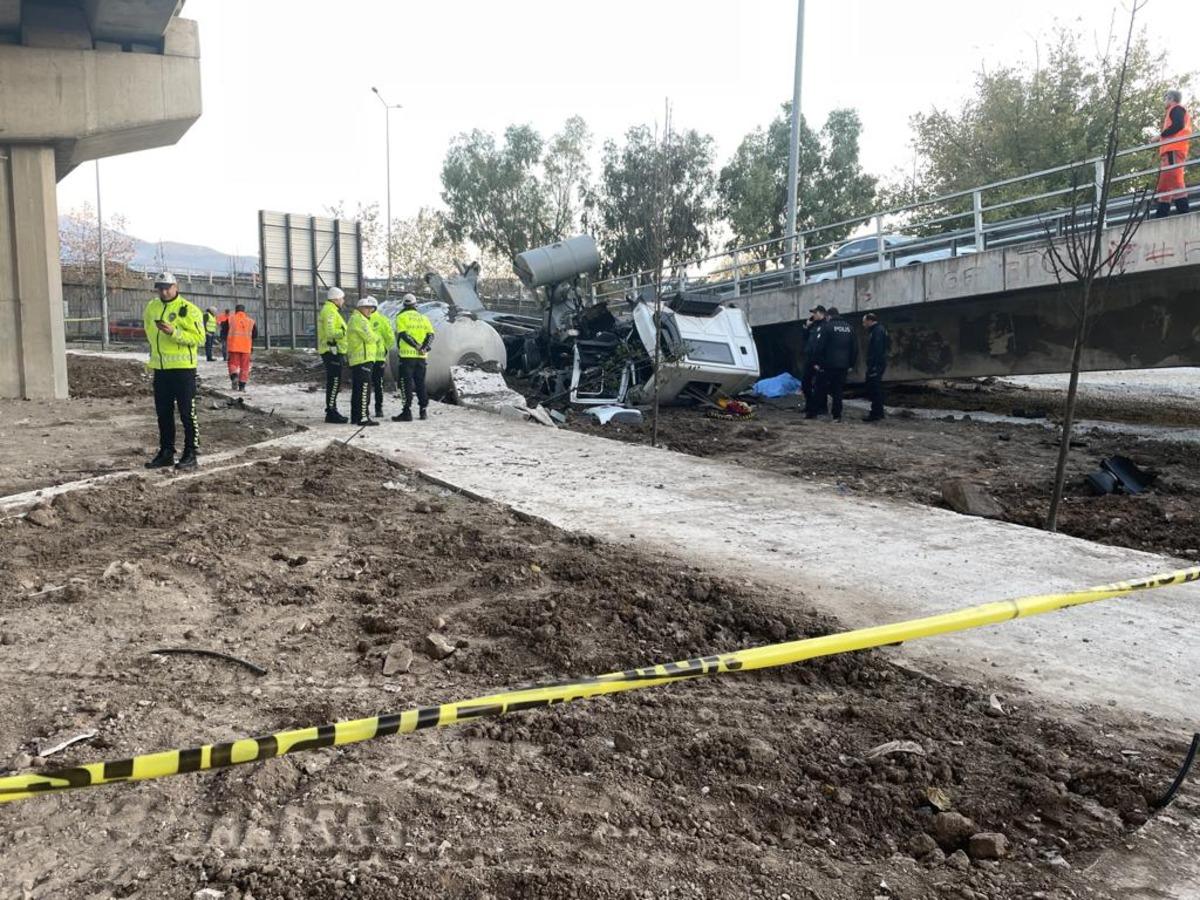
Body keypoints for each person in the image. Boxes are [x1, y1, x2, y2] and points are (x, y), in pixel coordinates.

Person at [142, 273, 204, 470]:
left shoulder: (189, 310)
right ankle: (166, 452)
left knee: (187, 412)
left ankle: (191, 453)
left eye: (168, 287)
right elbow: (149, 332)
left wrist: (174, 333)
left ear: (176, 287)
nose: (164, 291)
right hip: (161, 369)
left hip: (183, 369)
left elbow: (199, 338)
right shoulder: (152, 307)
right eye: (160, 287)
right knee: (164, 413)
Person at [808, 306, 857, 422]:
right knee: (838, 391)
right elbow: (854, 348)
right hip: (843, 365)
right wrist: (851, 364)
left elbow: (820, 347)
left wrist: (816, 362)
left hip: (827, 364)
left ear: (828, 316)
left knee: (819, 388)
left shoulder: (827, 327)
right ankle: (837, 416)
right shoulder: (849, 328)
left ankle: (812, 413)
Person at [392, 293, 435, 422]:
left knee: (406, 383)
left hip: (407, 356)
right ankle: (423, 410)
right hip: (421, 357)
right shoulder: (423, 318)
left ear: (404, 304)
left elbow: (403, 335)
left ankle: (406, 411)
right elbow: (431, 335)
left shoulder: (401, 317)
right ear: (415, 304)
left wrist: (416, 346)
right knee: (420, 382)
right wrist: (424, 348)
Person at [1155, 90, 1192, 218]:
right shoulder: (1175, 110)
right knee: (1166, 183)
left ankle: (1183, 213)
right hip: (1171, 151)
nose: (1164, 101)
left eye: (1165, 98)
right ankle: (1162, 214)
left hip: (1173, 150)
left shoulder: (1176, 109)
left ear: (1171, 98)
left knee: (1174, 180)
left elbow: (1178, 125)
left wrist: (1160, 136)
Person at [347, 295, 381, 427]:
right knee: (364, 389)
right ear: (360, 308)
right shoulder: (359, 320)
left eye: (371, 308)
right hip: (363, 359)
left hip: (360, 359)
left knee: (358, 389)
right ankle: (362, 417)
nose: (369, 310)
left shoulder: (358, 319)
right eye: (367, 308)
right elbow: (370, 337)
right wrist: (377, 336)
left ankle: (356, 416)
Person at [317, 287, 349, 423]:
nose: (343, 301)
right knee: (334, 382)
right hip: (332, 351)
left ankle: (332, 410)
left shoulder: (330, 310)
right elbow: (330, 333)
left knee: (334, 382)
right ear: (336, 299)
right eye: (342, 298)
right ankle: (331, 412)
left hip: (334, 350)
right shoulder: (330, 312)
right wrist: (343, 333)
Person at [368, 301, 396, 420]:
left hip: (365, 358)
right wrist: (385, 349)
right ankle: (379, 409)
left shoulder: (362, 319)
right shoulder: (383, 319)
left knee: (366, 384)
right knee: (378, 384)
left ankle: (364, 409)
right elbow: (390, 338)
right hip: (379, 357)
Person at [862, 312, 890, 422]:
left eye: (864, 322)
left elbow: (877, 350)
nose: (863, 325)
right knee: (875, 388)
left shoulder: (877, 331)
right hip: (878, 363)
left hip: (876, 365)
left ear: (869, 321)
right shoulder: (880, 330)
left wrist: (873, 365)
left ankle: (875, 413)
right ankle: (879, 412)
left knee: (874, 388)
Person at [224, 303, 258, 392]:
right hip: (246, 348)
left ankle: (234, 376)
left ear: (236, 311)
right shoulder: (251, 321)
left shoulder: (230, 319)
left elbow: (224, 331)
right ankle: (242, 386)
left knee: (233, 364)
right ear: (244, 311)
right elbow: (255, 335)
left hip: (233, 347)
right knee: (245, 367)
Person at [800, 305, 827, 415]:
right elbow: (805, 338)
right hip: (810, 358)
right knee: (805, 383)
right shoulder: (813, 326)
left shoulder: (825, 325)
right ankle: (810, 405)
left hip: (819, 359)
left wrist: (819, 361)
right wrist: (807, 327)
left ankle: (821, 407)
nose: (813, 315)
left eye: (815, 313)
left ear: (821, 313)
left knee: (820, 385)